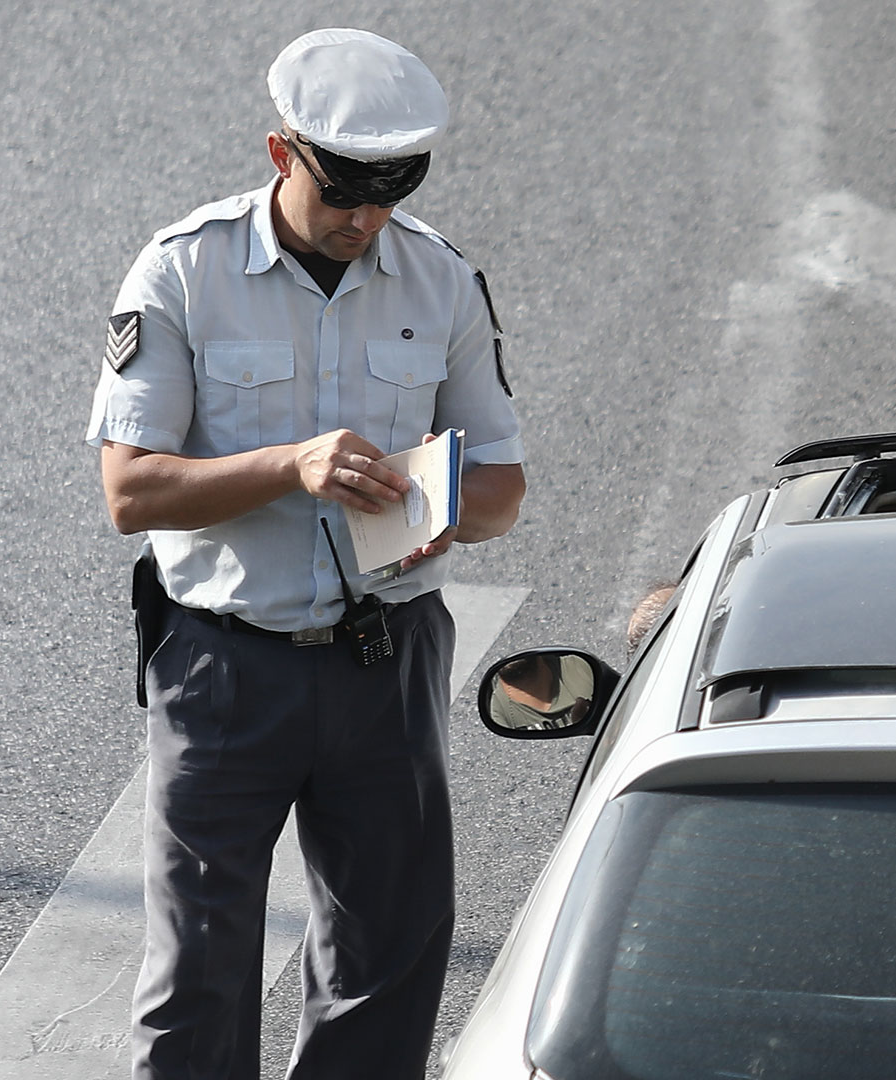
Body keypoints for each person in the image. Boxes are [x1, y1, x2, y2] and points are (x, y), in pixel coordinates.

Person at [84, 28, 525, 1079]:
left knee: (389, 956)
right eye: (343, 198)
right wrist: (293, 467)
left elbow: (504, 492)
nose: (365, 222)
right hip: (226, 666)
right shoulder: (182, 271)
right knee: (200, 971)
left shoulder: (441, 282)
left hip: (389, 658)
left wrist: (419, 498)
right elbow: (130, 491)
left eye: (388, 196)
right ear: (283, 155)